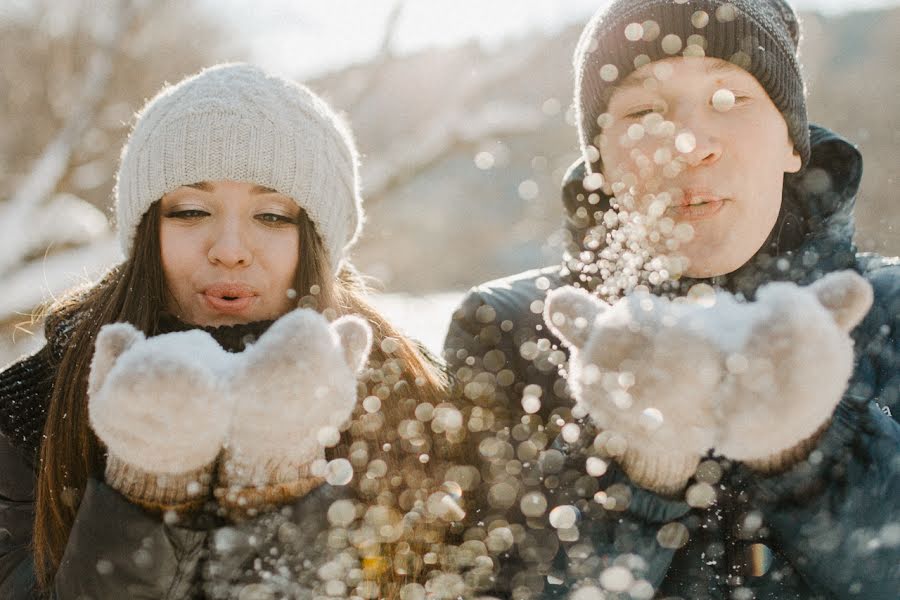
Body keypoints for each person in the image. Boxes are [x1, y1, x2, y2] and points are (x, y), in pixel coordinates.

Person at [443, 1, 899, 598]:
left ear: (792, 143)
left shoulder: (888, 313)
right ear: (599, 161)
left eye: (730, 100)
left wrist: (810, 454)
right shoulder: (510, 332)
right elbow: (486, 581)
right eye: (644, 109)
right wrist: (629, 470)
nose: (688, 145)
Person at [0, 63, 455, 599]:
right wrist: (146, 494)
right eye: (192, 210)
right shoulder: (37, 403)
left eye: (273, 216)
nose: (231, 249)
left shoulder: (407, 398)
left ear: (318, 240)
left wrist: (281, 491)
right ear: (146, 230)